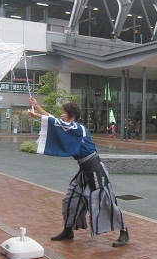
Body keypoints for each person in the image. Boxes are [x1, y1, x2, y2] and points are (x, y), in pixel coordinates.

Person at [27, 97, 129, 247]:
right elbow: (54, 120)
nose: (62, 115)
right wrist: (37, 106)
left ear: (71, 114)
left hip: (95, 169)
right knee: (71, 198)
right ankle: (68, 230)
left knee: (105, 201)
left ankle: (124, 232)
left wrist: (36, 115)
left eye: (63, 112)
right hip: (84, 169)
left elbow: (55, 122)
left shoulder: (78, 128)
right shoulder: (70, 127)